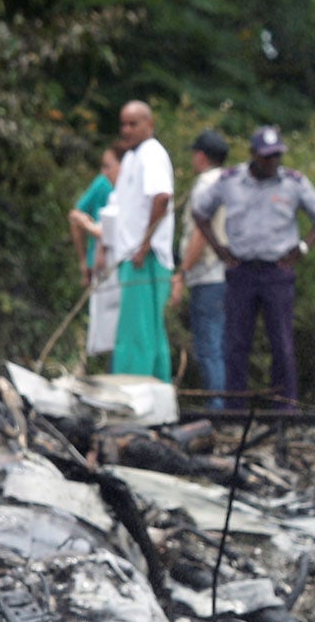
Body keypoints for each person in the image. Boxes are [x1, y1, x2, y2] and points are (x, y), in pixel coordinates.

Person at [192, 125, 315, 410]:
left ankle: (284, 407)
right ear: (253, 154)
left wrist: (302, 247)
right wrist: (219, 249)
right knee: (236, 343)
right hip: (241, 270)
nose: (272, 162)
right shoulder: (229, 181)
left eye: (276, 156)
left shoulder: (293, 183)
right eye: (266, 156)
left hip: (276, 272)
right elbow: (200, 211)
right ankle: (235, 407)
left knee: (281, 343)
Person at [108, 101, 175, 380]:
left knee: (137, 332)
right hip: (132, 254)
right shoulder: (132, 157)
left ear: (149, 125)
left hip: (143, 257)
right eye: (123, 123)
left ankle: (132, 391)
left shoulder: (152, 153)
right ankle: (159, 389)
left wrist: (144, 244)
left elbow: (162, 196)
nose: (127, 130)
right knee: (149, 330)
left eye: (133, 124)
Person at [170, 129, 231, 405]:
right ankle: (221, 404)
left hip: (208, 275)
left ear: (201, 156)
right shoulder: (231, 183)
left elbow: (199, 234)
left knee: (208, 345)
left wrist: (182, 272)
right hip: (227, 274)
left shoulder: (206, 185)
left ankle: (216, 409)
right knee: (218, 342)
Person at [69, 144, 124, 363]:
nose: (104, 172)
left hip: (123, 266)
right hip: (103, 267)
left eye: (107, 166)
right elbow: (76, 216)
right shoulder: (105, 184)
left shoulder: (131, 190)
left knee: (116, 327)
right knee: (103, 326)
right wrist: (85, 259)